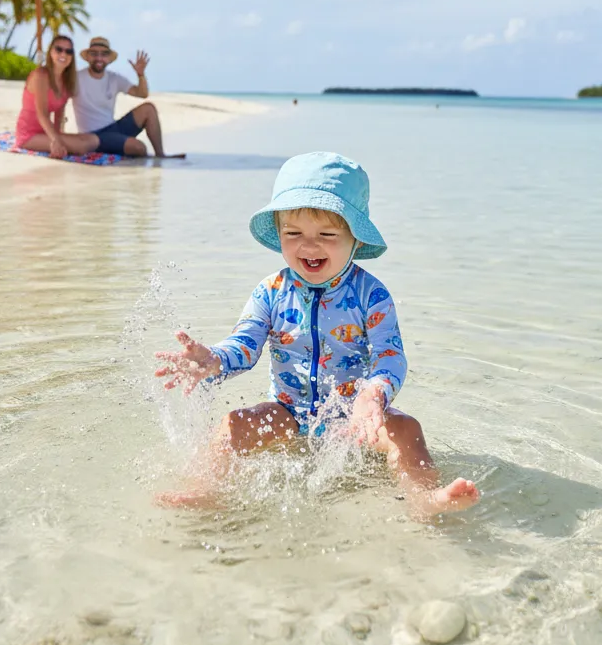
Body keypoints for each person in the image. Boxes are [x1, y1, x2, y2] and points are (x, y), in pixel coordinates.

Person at [153, 151, 481, 518]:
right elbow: (245, 343)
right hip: (288, 412)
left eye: (326, 234)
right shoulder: (270, 291)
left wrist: (373, 396)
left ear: (355, 238)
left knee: (406, 431)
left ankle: (425, 499)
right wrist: (214, 359)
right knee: (232, 426)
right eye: (293, 234)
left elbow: (391, 356)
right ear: (278, 235)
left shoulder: (371, 295)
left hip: (354, 415)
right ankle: (205, 491)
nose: (309, 245)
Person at [74, 37, 184, 158]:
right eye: (94, 54)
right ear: (88, 57)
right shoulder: (76, 78)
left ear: (108, 59)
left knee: (148, 109)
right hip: (92, 136)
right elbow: (59, 100)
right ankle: (118, 147)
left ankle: (160, 154)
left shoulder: (114, 78)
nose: (99, 58)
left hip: (113, 128)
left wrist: (141, 75)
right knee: (139, 148)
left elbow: (142, 94)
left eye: (104, 54)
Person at [14, 35, 100, 158]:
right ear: (50, 52)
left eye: (68, 51)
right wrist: (56, 140)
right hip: (29, 135)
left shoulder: (67, 81)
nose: (63, 54)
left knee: (92, 139)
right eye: (59, 49)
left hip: (47, 132)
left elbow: (59, 113)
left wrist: (59, 135)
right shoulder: (41, 76)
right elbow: (42, 113)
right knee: (82, 146)